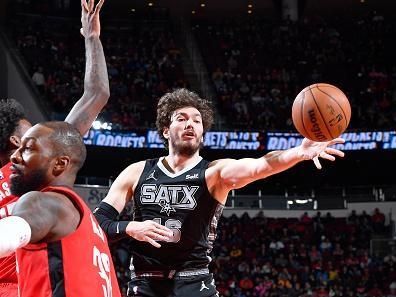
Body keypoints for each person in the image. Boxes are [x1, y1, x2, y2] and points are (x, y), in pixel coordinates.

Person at [94, 88, 345, 297]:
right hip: (145, 283)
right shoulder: (136, 172)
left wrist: (296, 154)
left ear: (202, 133)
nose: (190, 123)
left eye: (196, 120)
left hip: (194, 282)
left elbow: (260, 166)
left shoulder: (215, 173)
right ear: (165, 130)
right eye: (181, 118)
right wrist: (129, 228)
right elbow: (97, 225)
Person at [0, 0, 109, 295]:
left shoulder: (44, 171)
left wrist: (92, 38)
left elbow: (96, 93)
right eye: (26, 137)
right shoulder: (30, 164)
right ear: (14, 142)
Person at [0, 121, 121, 297]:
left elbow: (7, 236)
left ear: (59, 164)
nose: (15, 157)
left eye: (28, 149)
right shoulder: (88, 222)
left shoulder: (43, 201)